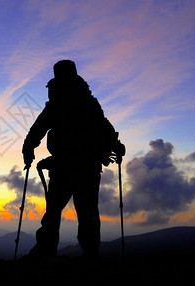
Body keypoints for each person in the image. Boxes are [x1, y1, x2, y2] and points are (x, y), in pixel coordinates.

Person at [22, 60, 124, 261]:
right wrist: (116, 145)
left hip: (63, 166)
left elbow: (38, 128)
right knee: (87, 214)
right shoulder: (87, 101)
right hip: (88, 166)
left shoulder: (57, 102)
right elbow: (104, 125)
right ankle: (90, 255)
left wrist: (28, 149)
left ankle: (45, 252)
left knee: (53, 213)